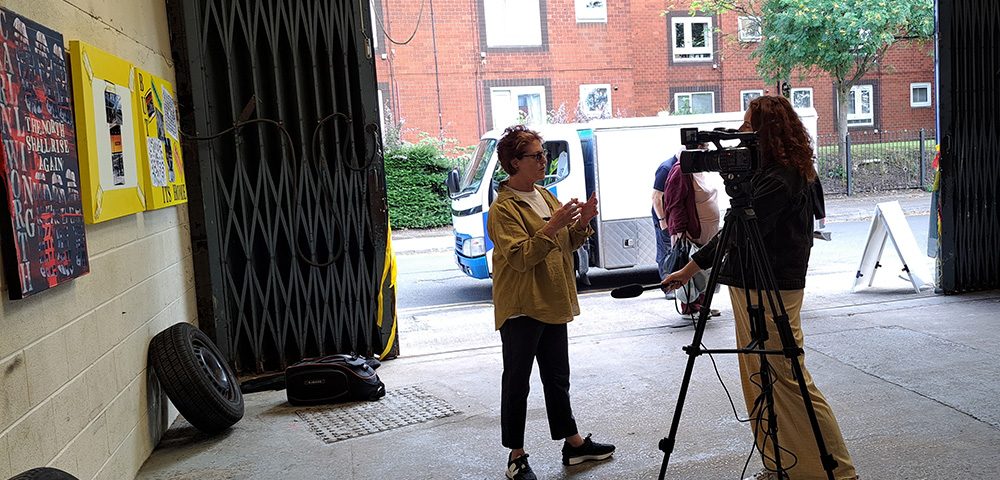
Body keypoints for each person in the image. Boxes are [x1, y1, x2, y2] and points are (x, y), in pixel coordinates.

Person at [662, 96, 858, 480]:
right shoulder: (781, 170)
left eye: (748, 125)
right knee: (760, 376)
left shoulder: (781, 177)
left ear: (765, 131)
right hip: (754, 284)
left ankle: (838, 471)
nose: (741, 132)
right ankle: (781, 464)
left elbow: (737, 231)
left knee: (787, 377)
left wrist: (689, 269)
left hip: (771, 288)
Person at [487, 125, 616, 480]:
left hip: (552, 300)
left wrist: (582, 223)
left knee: (558, 377)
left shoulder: (544, 195)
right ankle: (516, 455)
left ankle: (573, 444)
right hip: (522, 306)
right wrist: (553, 225)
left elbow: (565, 244)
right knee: (518, 382)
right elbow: (520, 257)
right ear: (515, 162)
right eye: (536, 155)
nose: (545, 160)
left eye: (544, 154)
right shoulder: (503, 208)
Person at [662, 145, 722, 316]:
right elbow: (675, 203)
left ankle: (703, 306)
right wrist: (680, 231)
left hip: (707, 231)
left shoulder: (701, 171)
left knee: (705, 270)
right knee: (692, 267)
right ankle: (691, 307)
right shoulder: (680, 170)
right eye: (703, 149)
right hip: (690, 232)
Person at [652, 155, 680, 299]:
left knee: (674, 251)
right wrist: (663, 221)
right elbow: (656, 197)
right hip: (664, 217)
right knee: (665, 251)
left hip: (672, 215)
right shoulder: (666, 168)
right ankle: (668, 288)